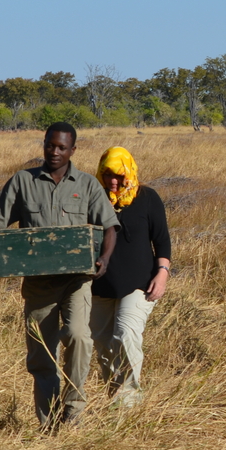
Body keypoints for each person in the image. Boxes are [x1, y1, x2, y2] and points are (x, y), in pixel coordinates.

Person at [0, 122, 119, 428]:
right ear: (44, 145)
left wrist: (104, 258)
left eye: (61, 148)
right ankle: (49, 423)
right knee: (42, 355)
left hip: (76, 280)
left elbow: (109, 227)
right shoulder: (22, 182)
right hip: (38, 284)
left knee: (80, 336)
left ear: (72, 150)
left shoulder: (88, 184)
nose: (54, 152)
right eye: (49, 145)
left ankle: (73, 410)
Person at [90, 146, 171, 408]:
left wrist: (162, 273)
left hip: (139, 284)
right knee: (102, 343)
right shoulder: (93, 198)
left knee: (126, 332)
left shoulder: (148, 197)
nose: (113, 181)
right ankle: (114, 396)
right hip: (99, 285)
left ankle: (131, 399)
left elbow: (162, 241)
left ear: (129, 172)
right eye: (108, 175)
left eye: (119, 175)